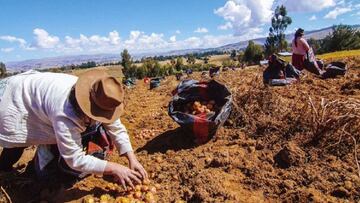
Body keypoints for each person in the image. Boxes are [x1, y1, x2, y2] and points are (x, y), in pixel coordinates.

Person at [0, 69, 147, 189]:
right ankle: (5, 171)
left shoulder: (98, 94)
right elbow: (74, 159)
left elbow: (116, 126)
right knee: (16, 142)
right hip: (14, 100)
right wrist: (114, 168)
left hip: (36, 95)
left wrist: (132, 159)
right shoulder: (65, 113)